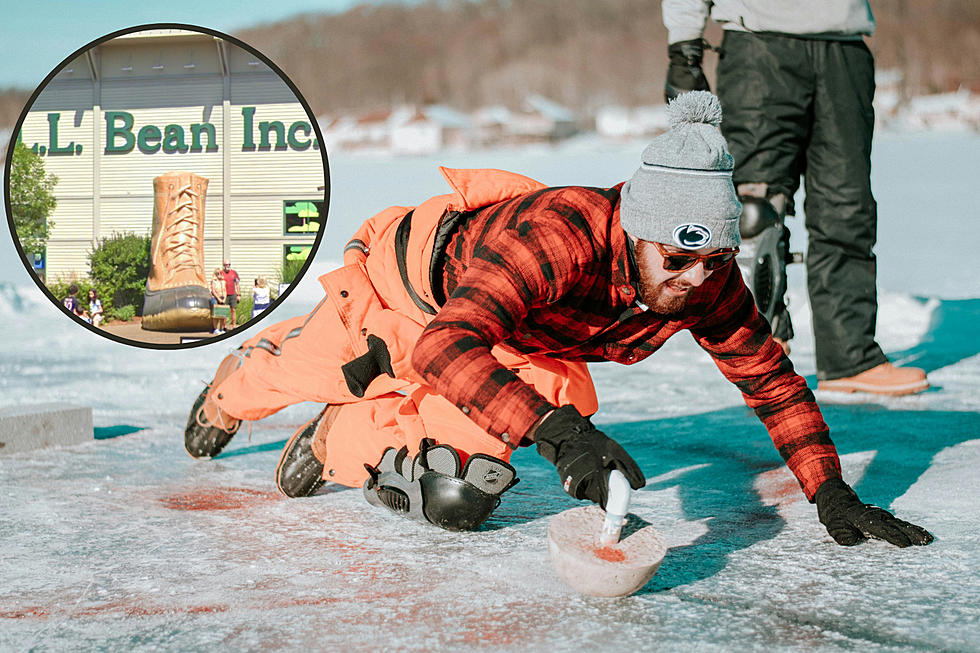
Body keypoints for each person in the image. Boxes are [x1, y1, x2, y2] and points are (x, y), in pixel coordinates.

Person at [184, 92, 931, 546]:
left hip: (518, 341)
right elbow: (448, 341)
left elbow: (770, 382)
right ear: (637, 231)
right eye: (676, 260)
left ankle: (338, 433)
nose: (694, 281)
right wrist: (558, 431)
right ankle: (232, 388)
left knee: (457, 493)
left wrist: (829, 488)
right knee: (313, 371)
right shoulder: (561, 233)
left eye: (712, 261)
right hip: (405, 293)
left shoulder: (706, 279)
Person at [661, 0, 929, 397]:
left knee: (847, 207)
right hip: (759, 44)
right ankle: (759, 350)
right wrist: (685, 46)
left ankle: (850, 357)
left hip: (843, 43)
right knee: (755, 209)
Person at [220, 260, 241, 330]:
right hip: (224, 294)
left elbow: (237, 284)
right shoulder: (221, 273)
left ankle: (234, 325)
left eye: (228, 264)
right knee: (224, 310)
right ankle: (224, 325)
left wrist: (238, 294)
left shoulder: (233, 273)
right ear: (223, 265)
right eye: (226, 265)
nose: (227, 266)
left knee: (233, 309)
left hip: (232, 293)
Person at [209, 268, 227, 335]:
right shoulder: (214, 281)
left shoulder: (223, 282)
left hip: (222, 298)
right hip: (216, 298)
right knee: (216, 314)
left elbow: (225, 290)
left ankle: (221, 328)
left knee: (223, 314)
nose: (219, 275)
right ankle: (215, 329)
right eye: (218, 274)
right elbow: (213, 291)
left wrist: (224, 298)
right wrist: (218, 299)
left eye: (220, 273)